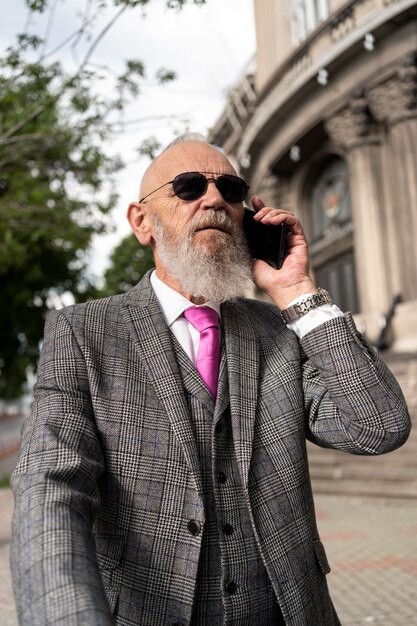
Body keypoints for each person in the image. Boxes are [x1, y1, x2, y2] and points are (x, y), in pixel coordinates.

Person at [11, 136, 411, 626]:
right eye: (188, 187)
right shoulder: (84, 332)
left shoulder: (279, 331)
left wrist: (298, 292)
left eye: (232, 188)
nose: (216, 198)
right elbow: (50, 489)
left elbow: (378, 426)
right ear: (142, 222)